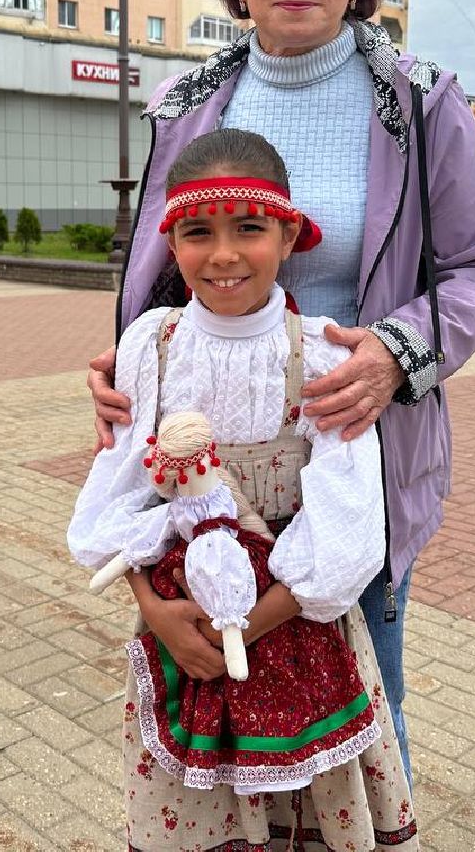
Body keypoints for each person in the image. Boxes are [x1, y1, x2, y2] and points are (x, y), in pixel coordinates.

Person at [84, 0, 475, 790]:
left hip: (351, 448)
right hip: (202, 461)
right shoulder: (188, 104)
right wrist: (124, 368)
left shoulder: (421, 102)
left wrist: (397, 354)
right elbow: (162, 270)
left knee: (363, 703)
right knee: (213, 703)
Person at [69, 128, 416, 849]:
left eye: (249, 229)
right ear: (172, 243)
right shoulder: (151, 345)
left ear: (288, 236)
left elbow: (347, 523)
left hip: (298, 633)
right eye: (198, 232)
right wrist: (159, 614)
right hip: (179, 626)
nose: (223, 255)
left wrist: (247, 627)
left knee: (306, 803)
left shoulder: (323, 354)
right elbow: (122, 494)